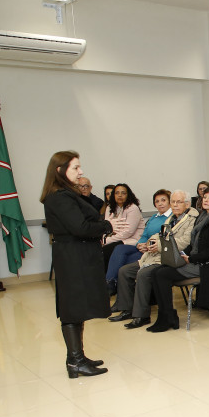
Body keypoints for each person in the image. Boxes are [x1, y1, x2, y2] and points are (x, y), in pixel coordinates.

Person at [40, 150, 113, 378]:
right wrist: (105, 226)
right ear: (60, 170)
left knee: (77, 306)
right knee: (72, 309)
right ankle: (75, 361)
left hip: (76, 254)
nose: (80, 171)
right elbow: (80, 227)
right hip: (73, 257)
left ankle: (77, 356)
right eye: (75, 167)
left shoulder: (65, 194)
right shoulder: (59, 196)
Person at [149, 187, 209, 332]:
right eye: (205, 197)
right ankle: (165, 316)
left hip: (207, 265)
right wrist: (183, 254)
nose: (206, 201)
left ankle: (168, 317)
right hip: (195, 260)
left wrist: (191, 258)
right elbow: (193, 244)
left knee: (162, 274)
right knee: (155, 272)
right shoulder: (201, 218)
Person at [109, 190, 199, 328]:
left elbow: (185, 242)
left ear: (187, 204)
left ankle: (141, 315)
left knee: (143, 274)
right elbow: (159, 235)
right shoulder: (171, 218)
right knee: (124, 271)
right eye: (173, 202)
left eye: (178, 202)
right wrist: (149, 244)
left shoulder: (191, 219)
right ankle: (127, 309)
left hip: (171, 258)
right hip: (155, 254)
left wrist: (159, 245)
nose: (174, 205)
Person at [105, 189, 172, 295]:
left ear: (170, 202)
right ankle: (110, 283)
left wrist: (147, 245)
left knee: (124, 264)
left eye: (163, 200)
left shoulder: (172, 218)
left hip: (154, 250)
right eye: (157, 201)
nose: (160, 203)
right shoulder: (154, 217)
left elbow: (163, 237)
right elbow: (144, 234)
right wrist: (140, 244)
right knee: (119, 249)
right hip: (143, 247)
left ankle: (115, 288)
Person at [102, 183, 145, 270]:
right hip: (116, 239)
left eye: (123, 193)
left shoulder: (132, 208)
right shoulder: (109, 208)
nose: (120, 195)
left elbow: (127, 232)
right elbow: (107, 228)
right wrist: (104, 238)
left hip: (130, 240)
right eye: (117, 193)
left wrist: (107, 240)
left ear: (128, 195)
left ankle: (109, 281)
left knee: (105, 251)